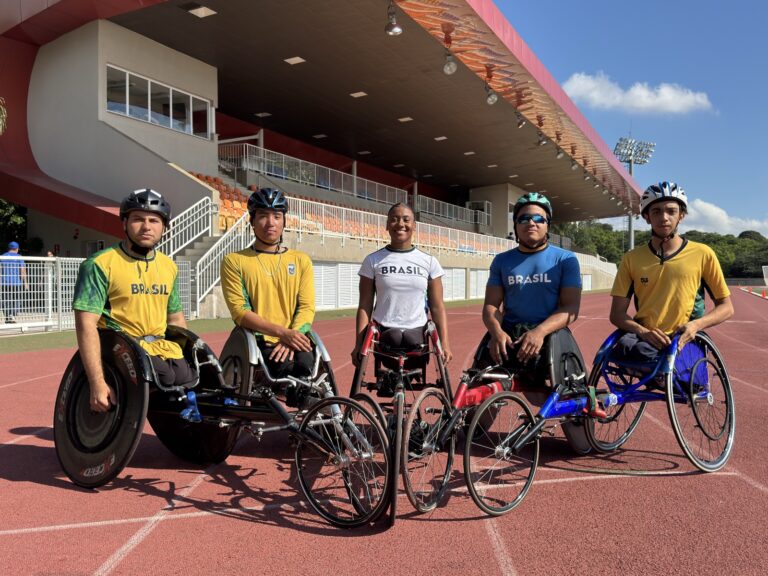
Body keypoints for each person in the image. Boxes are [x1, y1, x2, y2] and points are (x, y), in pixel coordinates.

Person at [480, 192, 603, 416]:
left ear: (548, 225)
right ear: (516, 225)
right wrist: (496, 332)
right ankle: (471, 428)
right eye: (524, 218)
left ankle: (583, 405)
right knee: (474, 385)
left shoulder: (565, 259)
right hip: (510, 334)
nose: (531, 223)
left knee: (565, 401)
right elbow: (491, 307)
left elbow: (571, 309)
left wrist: (539, 332)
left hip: (550, 335)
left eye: (538, 219)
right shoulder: (502, 261)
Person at [73, 189, 193, 412]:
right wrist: (97, 383)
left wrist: (188, 355)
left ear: (164, 227)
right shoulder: (99, 264)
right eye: (138, 219)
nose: (147, 227)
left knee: (191, 377)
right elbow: (86, 324)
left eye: (154, 220)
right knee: (165, 376)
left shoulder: (169, 266)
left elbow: (175, 318)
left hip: (161, 347)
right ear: (124, 223)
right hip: (123, 348)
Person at [609, 181, 733, 367]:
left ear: (681, 215)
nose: (664, 217)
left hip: (685, 338)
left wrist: (696, 325)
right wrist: (643, 332)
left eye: (671, 211)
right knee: (619, 351)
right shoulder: (631, 258)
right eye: (656, 211)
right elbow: (617, 314)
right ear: (647, 217)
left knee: (673, 373)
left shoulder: (703, 253)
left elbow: (726, 308)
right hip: (646, 339)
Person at [220, 187, 315, 379]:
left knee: (310, 370)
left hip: (294, 339)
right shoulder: (234, 261)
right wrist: (282, 334)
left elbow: (306, 306)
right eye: (263, 216)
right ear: (252, 221)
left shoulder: (301, 260)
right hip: (259, 341)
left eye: (277, 216)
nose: (270, 223)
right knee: (285, 371)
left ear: (284, 221)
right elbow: (240, 311)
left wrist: (291, 336)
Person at [351, 202, 452, 370]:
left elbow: (437, 307)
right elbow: (365, 306)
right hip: (385, 332)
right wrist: (359, 345)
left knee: (411, 339)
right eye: (394, 219)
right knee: (394, 337)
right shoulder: (372, 261)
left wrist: (445, 344)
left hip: (417, 333)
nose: (400, 224)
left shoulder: (429, 262)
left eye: (406, 219)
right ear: (386, 225)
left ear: (414, 226)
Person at [1, 241, 29, 323]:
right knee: (17, 299)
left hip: (4, 282)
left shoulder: (2, 256)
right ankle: (12, 315)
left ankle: (8, 316)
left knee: (6, 300)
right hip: (16, 283)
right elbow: (22, 270)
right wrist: (25, 282)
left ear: (9, 248)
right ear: (17, 249)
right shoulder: (19, 257)